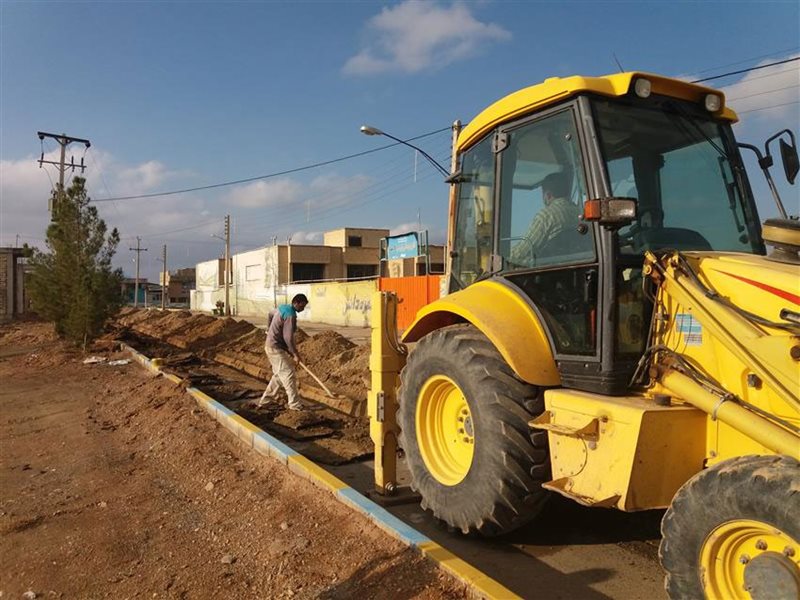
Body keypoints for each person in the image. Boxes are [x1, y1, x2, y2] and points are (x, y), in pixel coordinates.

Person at [509, 171, 582, 266]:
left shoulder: (547, 216)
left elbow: (524, 251)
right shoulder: (581, 213)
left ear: (548, 195)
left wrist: (503, 257)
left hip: (551, 273)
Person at [259, 293, 316, 411]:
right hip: (275, 348)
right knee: (288, 374)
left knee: (279, 375)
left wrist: (269, 329)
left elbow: (270, 313)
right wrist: (295, 354)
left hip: (272, 346)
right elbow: (288, 338)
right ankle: (295, 405)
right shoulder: (290, 315)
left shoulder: (282, 308)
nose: (303, 309)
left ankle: (266, 401)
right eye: (302, 306)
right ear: (296, 303)